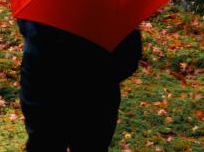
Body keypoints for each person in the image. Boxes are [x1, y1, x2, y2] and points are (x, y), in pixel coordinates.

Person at [17, 20, 142, 151]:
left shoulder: (40, 7)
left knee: (43, 143)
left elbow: (25, 27)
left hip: (43, 91)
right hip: (95, 99)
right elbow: (129, 57)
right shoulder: (113, 10)